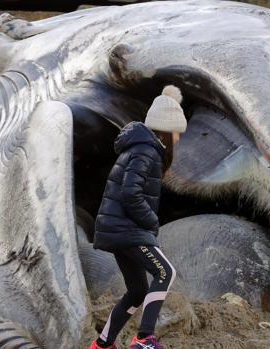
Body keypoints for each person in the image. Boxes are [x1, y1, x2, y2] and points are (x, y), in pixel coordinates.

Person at [90, 85, 187, 349]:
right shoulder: (147, 151)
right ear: (166, 132)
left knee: (137, 292)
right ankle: (144, 339)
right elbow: (130, 193)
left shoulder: (139, 148)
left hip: (117, 229)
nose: (178, 139)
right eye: (177, 132)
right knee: (165, 271)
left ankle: (102, 345)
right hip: (126, 229)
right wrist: (151, 222)